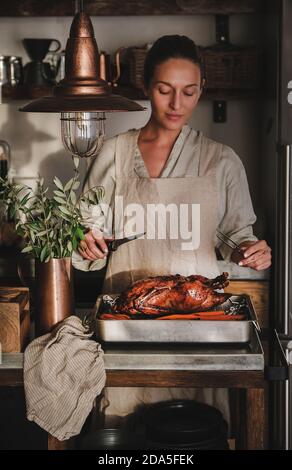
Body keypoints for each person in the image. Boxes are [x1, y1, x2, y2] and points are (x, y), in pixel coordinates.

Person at [73, 35, 272, 425]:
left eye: (189, 91)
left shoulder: (221, 160)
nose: (177, 104)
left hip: (201, 331)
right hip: (125, 325)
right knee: (125, 428)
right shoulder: (113, 153)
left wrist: (251, 248)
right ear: (147, 86)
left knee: (199, 429)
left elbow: (237, 235)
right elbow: (85, 234)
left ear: (202, 90)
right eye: (165, 90)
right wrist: (86, 240)